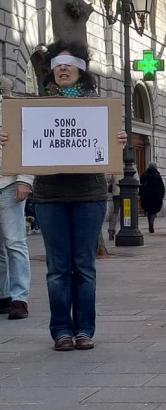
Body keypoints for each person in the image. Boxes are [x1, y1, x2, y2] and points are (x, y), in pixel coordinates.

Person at [0, 41, 128, 351]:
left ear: (82, 70)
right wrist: (8, 140)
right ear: (52, 70)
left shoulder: (98, 107)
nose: (63, 68)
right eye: (58, 63)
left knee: (83, 265)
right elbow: (21, 146)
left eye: (70, 63)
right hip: (50, 197)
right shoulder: (35, 107)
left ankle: (84, 329)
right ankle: (61, 330)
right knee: (58, 268)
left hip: (89, 196)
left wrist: (117, 142)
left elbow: (107, 150)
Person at [0, 158, 33, 320]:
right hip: (8, 181)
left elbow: (25, 143)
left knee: (15, 242)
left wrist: (25, 180)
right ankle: (3, 295)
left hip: (9, 183)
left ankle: (19, 299)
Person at [139, 163, 165, 234]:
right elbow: (161, 186)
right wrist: (162, 195)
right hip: (156, 196)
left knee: (148, 211)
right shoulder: (157, 175)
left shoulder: (144, 175)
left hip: (146, 196)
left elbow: (140, 185)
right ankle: (151, 224)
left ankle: (150, 224)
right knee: (153, 211)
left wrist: (140, 194)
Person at [106, 174, 122, 240]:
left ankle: (111, 229)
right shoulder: (132, 165)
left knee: (115, 212)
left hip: (116, 192)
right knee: (127, 212)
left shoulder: (115, 167)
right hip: (128, 191)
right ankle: (125, 228)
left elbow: (108, 178)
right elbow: (137, 179)